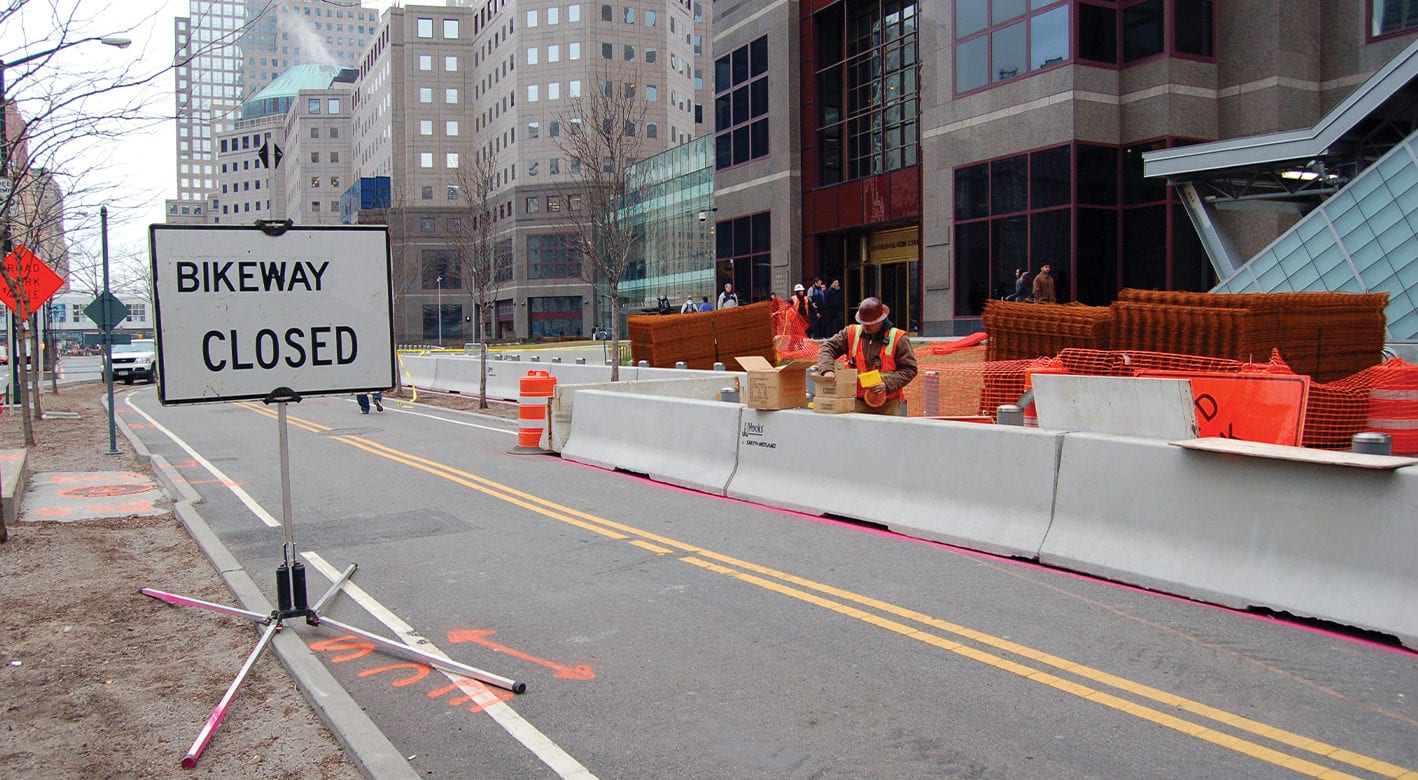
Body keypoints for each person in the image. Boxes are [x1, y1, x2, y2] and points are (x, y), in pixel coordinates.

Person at [815, 297, 918, 416]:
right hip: (857, 401)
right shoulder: (851, 333)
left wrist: (887, 385)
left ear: (881, 320)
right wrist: (827, 370)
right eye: (863, 323)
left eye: (870, 324)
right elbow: (827, 348)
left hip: (887, 403)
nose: (866, 327)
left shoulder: (898, 338)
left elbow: (910, 369)